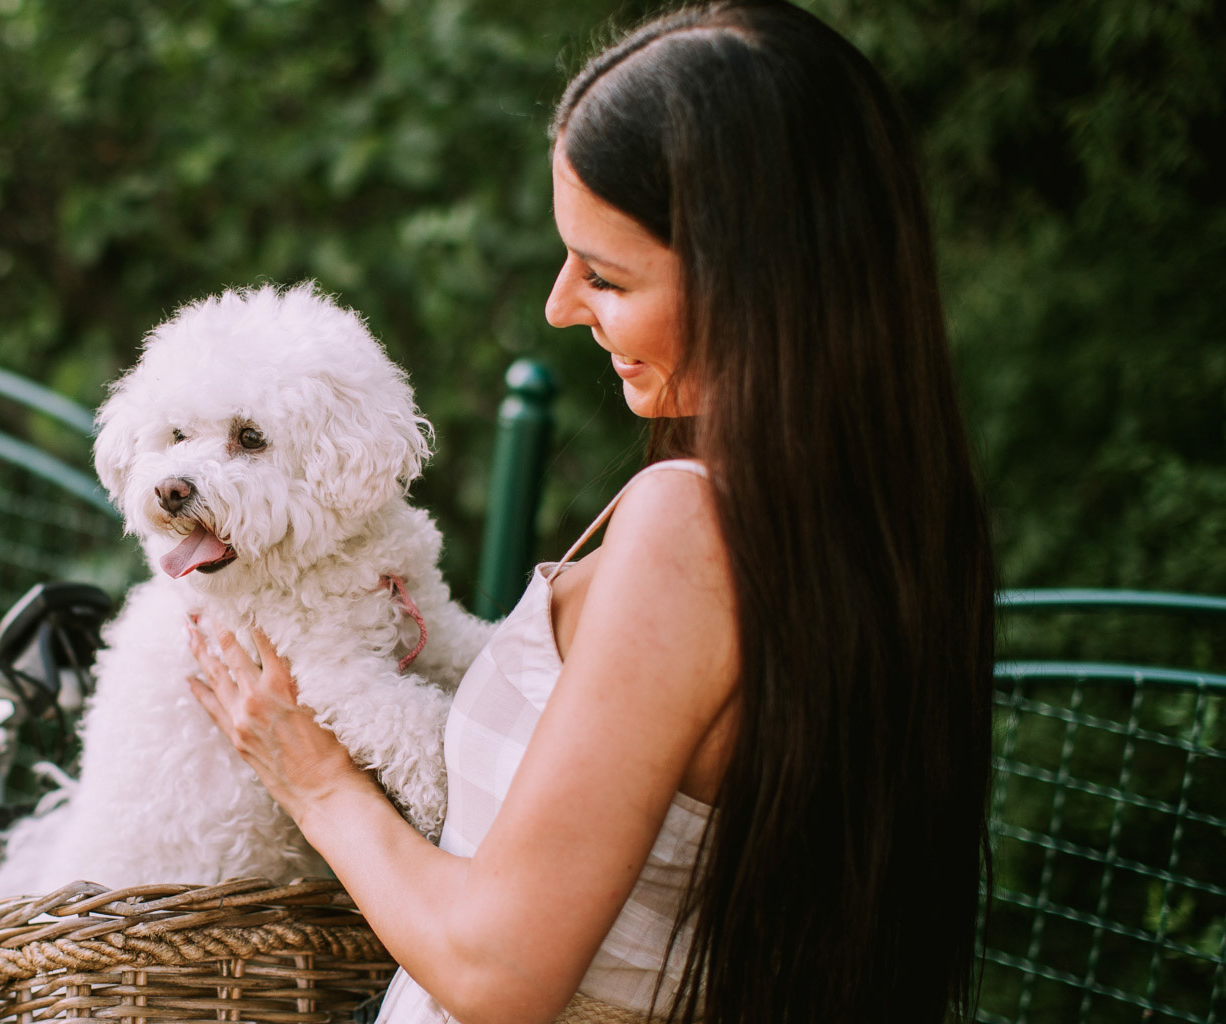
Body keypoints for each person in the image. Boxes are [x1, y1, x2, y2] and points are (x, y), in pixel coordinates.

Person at [183, 2, 996, 1022]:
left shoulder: (689, 529)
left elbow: (496, 972)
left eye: (604, 274)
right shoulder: (897, 531)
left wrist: (310, 774)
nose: (559, 304)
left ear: (755, 285)